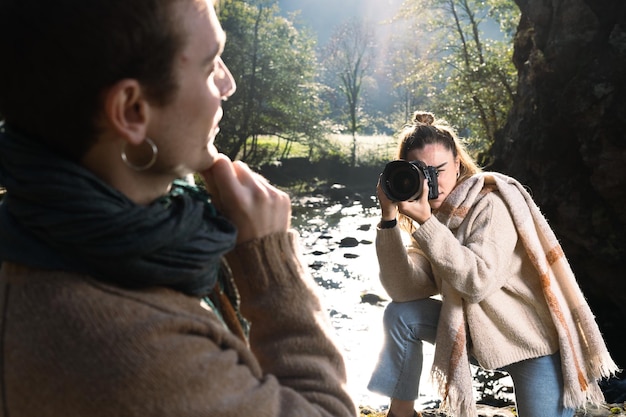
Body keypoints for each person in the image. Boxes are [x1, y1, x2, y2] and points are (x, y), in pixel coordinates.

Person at [0, 1, 357, 416]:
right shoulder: (132, 351)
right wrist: (272, 268)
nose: (229, 84)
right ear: (132, 111)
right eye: (210, 67)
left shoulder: (33, 239)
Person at [367, 111, 618, 417]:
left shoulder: (491, 204)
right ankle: (402, 413)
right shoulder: (434, 220)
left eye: (439, 170)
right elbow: (403, 290)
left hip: (532, 345)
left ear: (458, 164)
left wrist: (425, 222)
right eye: (420, 172)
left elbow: (476, 282)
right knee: (400, 315)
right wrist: (389, 219)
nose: (431, 182)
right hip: (475, 333)